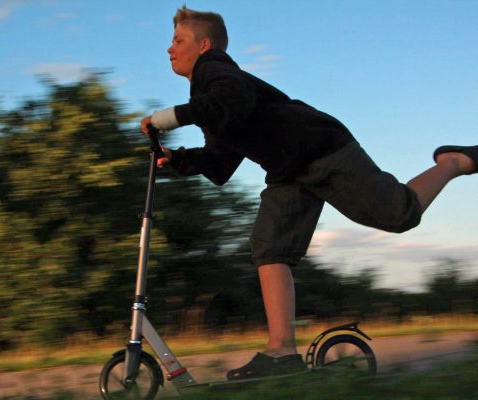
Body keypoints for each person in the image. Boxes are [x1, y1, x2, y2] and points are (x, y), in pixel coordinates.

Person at [141, 6, 478, 380]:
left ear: (204, 45)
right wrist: (179, 160)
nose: (169, 49)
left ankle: (453, 162)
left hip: (320, 149)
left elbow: (230, 103)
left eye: (177, 41)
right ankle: (282, 352)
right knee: (269, 246)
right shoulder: (209, 92)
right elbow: (222, 159)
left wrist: (166, 118)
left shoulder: (215, 69)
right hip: (289, 170)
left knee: (399, 214)